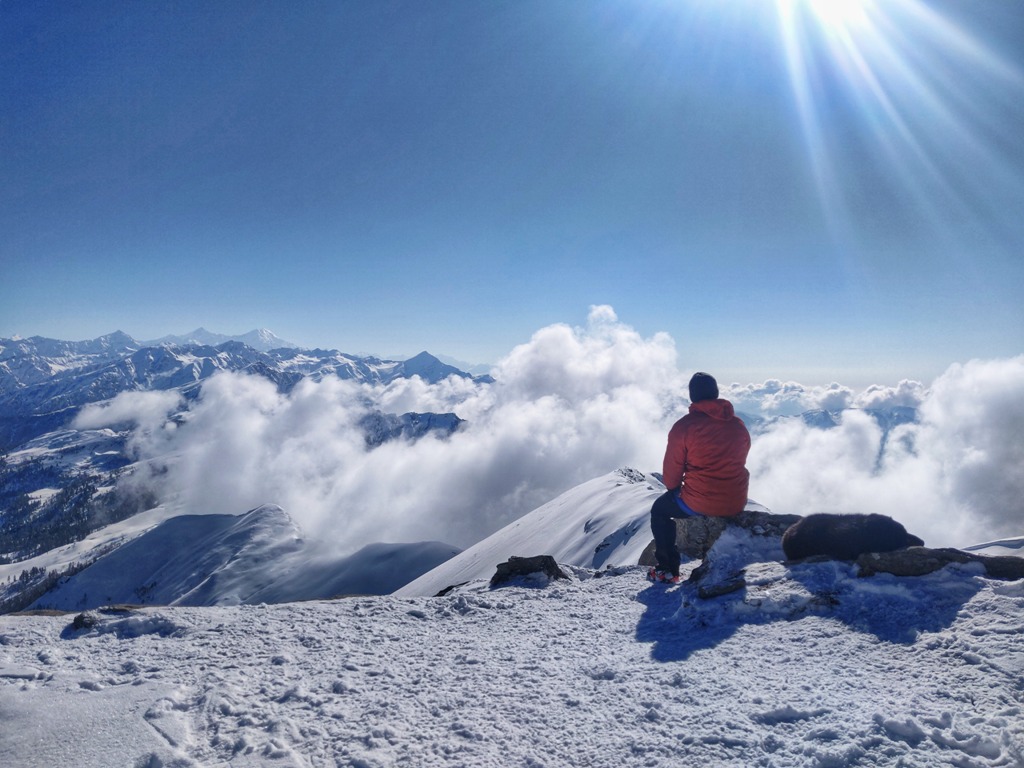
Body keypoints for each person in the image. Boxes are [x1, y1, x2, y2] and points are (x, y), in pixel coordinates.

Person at [648, 372, 751, 583]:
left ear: (692, 396)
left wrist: (675, 488)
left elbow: (671, 476)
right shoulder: (738, 424)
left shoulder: (684, 427)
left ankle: (667, 570)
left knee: (659, 511)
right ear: (716, 393)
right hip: (736, 499)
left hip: (698, 501)